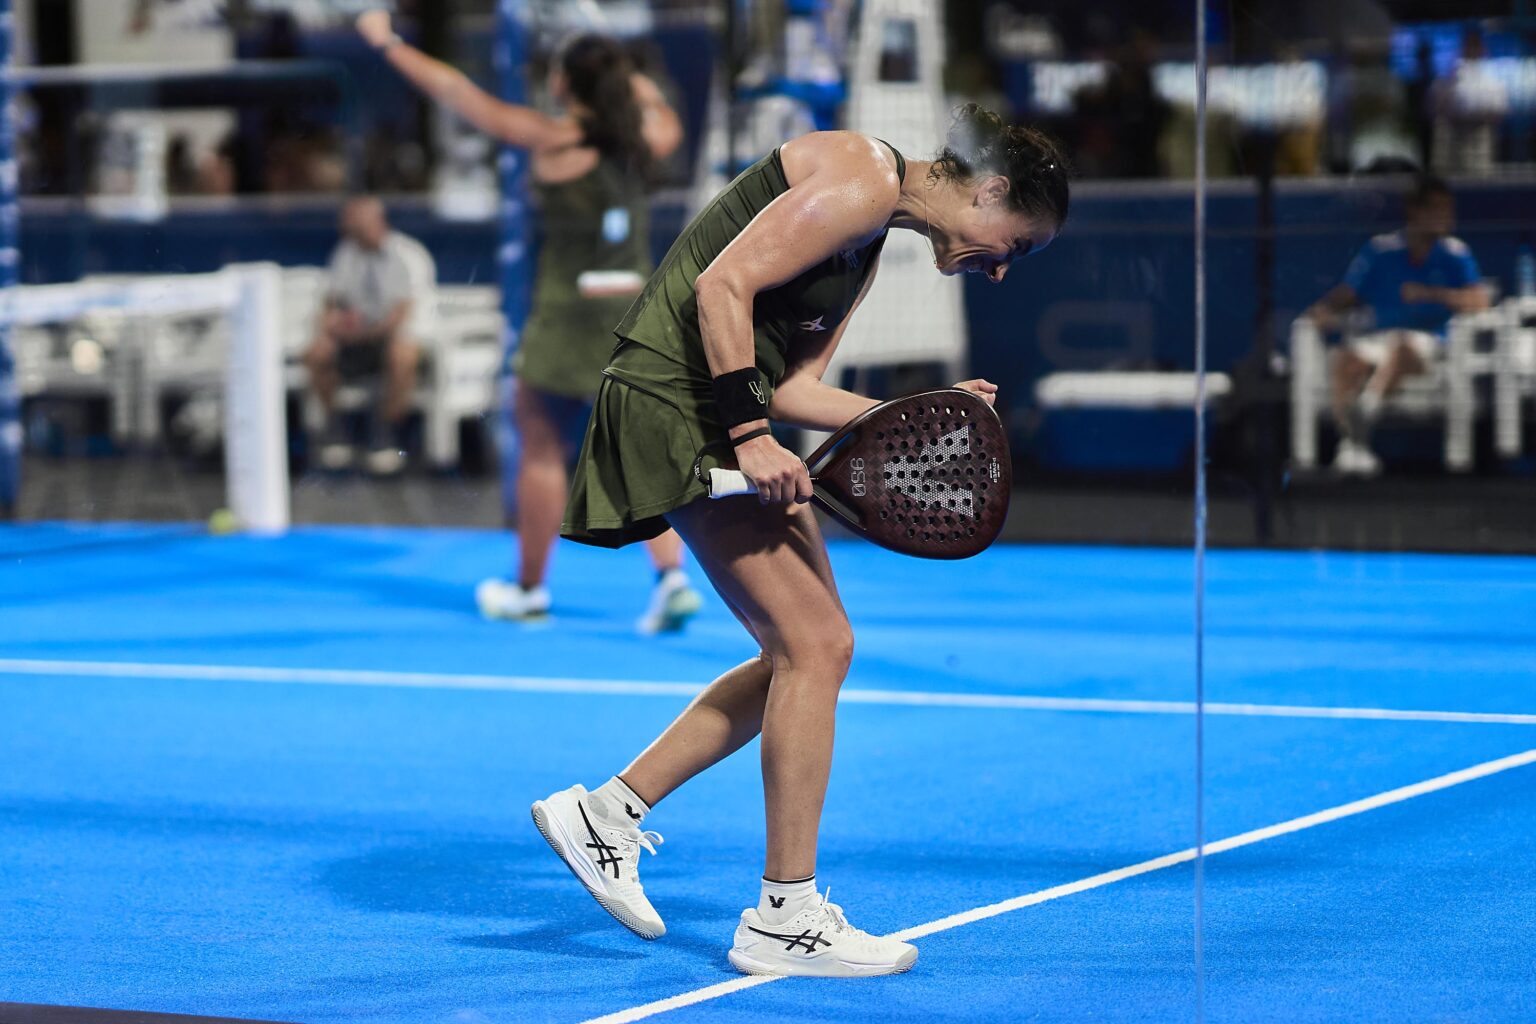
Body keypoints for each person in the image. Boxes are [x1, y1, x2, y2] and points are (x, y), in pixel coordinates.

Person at [531, 104, 1066, 975]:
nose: (1004, 269)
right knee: (812, 649)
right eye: (1020, 244)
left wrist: (908, 412)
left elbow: (791, 388)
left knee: (816, 648)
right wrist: (749, 439)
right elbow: (721, 289)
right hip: (678, 406)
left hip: (705, 406)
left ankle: (606, 816)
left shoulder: (869, 234)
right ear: (991, 190)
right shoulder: (864, 177)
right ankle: (784, 917)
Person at [357, 12, 703, 633]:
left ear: (564, 83)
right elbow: (665, 119)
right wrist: (631, 78)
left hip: (566, 318)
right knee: (638, 451)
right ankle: (672, 577)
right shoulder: (643, 141)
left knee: (541, 449)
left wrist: (387, 42)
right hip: (634, 316)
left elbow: (456, 91)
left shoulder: (551, 141)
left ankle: (530, 590)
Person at [1306, 176, 1488, 476]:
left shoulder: (1457, 254)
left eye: (1448, 209)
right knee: (1346, 360)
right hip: (1379, 340)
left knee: (1401, 347)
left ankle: (1364, 415)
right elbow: (1347, 294)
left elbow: (1479, 300)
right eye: (1437, 209)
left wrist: (1430, 294)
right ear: (1415, 211)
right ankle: (1354, 446)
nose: (1446, 217)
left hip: (1432, 346)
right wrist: (1320, 313)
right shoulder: (1379, 250)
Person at [304, 195, 432, 475]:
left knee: (402, 354)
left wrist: (362, 333)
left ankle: (386, 433)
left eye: (356, 225)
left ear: (376, 221)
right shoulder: (346, 252)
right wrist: (333, 323)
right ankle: (336, 429)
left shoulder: (407, 254)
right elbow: (333, 300)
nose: (349, 230)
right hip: (356, 338)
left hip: (394, 336)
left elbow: (401, 315)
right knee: (317, 352)